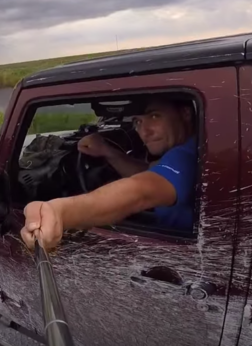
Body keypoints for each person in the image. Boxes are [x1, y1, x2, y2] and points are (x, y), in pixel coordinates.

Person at [20, 95, 197, 251]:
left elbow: (140, 191)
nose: (145, 132)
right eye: (137, 121)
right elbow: (151, 174)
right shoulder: (196, 146)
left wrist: (59, 212)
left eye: (154, 116)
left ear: (186, 113)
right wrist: (107, 152)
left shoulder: (186, 156)